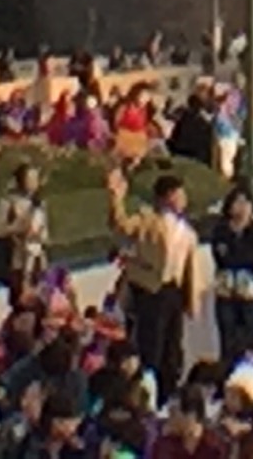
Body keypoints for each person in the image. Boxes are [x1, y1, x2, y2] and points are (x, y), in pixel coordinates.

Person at [107, 164, 201, 394]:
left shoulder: (187, 231)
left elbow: (190, 267)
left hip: (174, 290)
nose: (183, 199)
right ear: (168, 197)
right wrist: (116, 198)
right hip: (151, 288)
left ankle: (170, 386)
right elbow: (121, 226)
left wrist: (192, 297)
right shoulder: (147, 220)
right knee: (151, 343)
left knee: (173, 343)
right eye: (179, 194)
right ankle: (149, 388)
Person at [210, 188, 253, 365]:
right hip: (226, 290)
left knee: (250, 339)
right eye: (238, 202)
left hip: (250, 291)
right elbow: (221, 258)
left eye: (246, 203)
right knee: (227, 338)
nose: (242, 208)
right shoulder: (221, 231)